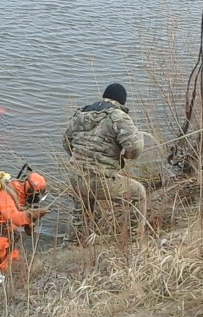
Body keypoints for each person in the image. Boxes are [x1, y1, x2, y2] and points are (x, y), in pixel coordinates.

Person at [62, 82, 147, 236]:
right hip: (99, 180)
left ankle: (75, 243)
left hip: (76, 177)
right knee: (138, 194)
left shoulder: (81, 114)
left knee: (82, 210)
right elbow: (135, 147)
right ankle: (134, 240)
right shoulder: (119, 116)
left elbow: (66, 142)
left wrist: (81, 160)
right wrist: (125, 156)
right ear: (122, 101)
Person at [0, 172, 49, 272]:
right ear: (31, 191)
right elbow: (14, 217)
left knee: (15, 263)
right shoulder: (7, 196)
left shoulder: (20, 191)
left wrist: (29, 224)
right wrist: (33, 215)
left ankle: (18, 279)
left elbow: (21, 209)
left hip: (7, 236)